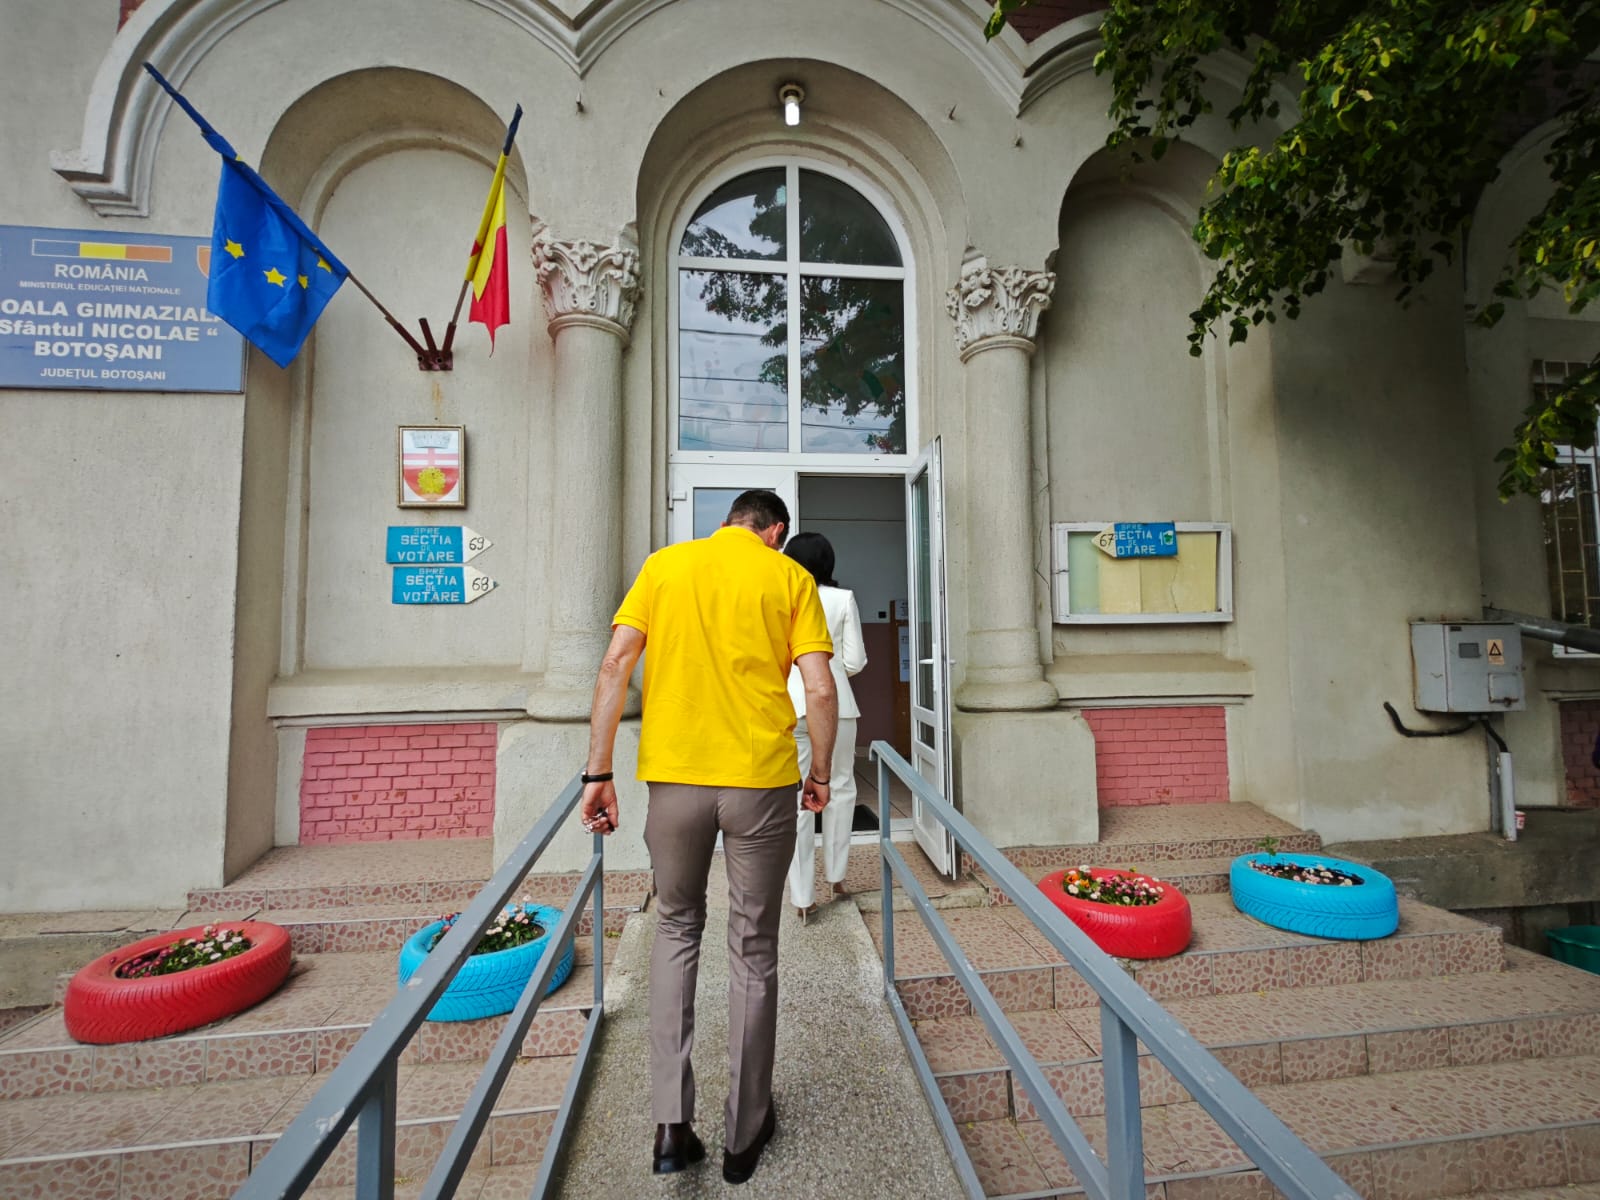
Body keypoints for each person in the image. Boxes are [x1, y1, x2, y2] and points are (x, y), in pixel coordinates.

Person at [578, 489, 839, 1186]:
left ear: (726, 523)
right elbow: (819, 689)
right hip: (760, 780)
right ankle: (744, 1133)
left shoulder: (664, 566)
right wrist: (821, 773)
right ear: (775, 531)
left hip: (675, 780)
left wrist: (597, 772)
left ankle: (671, 1123)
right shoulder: (789, 577)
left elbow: (614, 663)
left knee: (675, 928)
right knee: (752, 945)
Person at [782, 532, 868, 921]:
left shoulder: (782, 597)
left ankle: (802, 898)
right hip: (837, 706)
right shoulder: (842, 598)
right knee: (842, 788)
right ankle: (836, 878)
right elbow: (856, 661)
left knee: (796, 799)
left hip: (790, 705)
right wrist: (830, 673)